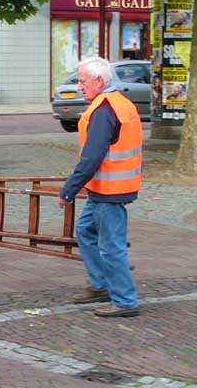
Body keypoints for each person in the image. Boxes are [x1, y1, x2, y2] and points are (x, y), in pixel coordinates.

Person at [58, 56, 141, 318]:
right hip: (106, 187)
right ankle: (102, 285)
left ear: (98, 81)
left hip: (110, 190)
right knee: (85, 231)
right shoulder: (114, 103)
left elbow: (92, 156)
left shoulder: (104, 109)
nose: (79, 86)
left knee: (110, 246)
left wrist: (69, 189)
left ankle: (125, 300)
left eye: (82, 81)